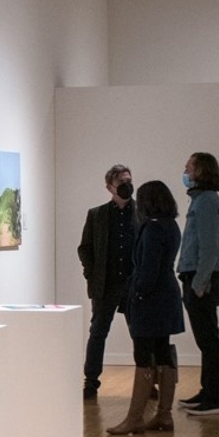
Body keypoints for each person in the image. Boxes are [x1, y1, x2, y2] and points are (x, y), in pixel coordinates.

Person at [107, 181, 185, 436]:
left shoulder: (151, 229)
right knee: (162, 351)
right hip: (167, 295)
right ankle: (164, 414)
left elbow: (147, 270)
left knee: (143, 355)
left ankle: (135, 418)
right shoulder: (170, 225)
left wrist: (136, 293)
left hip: (150, 299)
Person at [77, 164, 138, 400]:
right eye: (121, 182)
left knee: (140, 334)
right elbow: (85, 248)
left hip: (134, 284)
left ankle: (148, 382)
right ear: (109, 187)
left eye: (128, 180)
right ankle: (91, 381)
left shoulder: (140, 212)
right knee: (98, 332)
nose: (126, 186)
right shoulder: (97, 215)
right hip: (105, 284)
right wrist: (91, 274)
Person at [177, 152, 219, 416]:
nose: (184, 172)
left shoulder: (206, 203)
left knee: (209, 341)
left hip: (201, 280)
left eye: (188, 168)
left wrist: (199, 283)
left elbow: (209, 248)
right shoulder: (202, 201)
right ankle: (207, 392)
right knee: (206, 341)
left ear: (200, 172)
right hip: (197, 278)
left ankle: (215, 398)